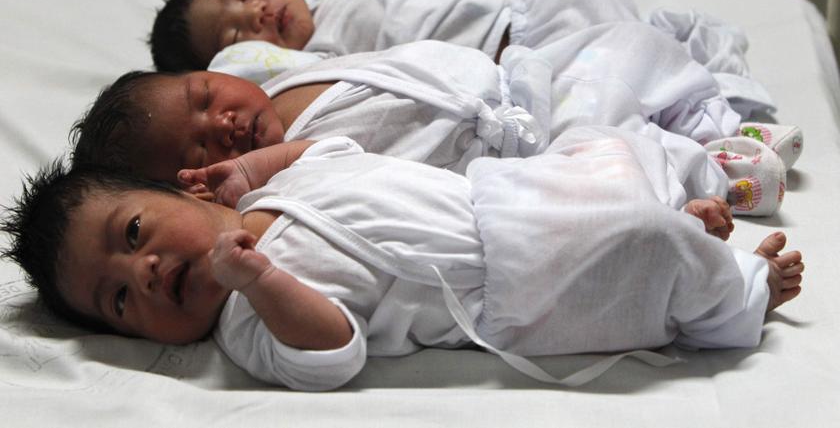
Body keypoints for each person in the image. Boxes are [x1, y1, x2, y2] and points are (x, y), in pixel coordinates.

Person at [1, 130, 804, 391]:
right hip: (509, 279)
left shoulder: (279, 186)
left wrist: (251, 168)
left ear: (184, 189)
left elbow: (331, 144)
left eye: (134, 233)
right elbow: (332, 353)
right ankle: (741, 290)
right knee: (633, 244)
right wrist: (262, 278)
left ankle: (684, 193)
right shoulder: (247, 321)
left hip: (499, 192)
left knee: (604, 144)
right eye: (117, 300)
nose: (140, 272)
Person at [74, 30, 792, 216]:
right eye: (200, 145)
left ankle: (715, 113)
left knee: (628, 47)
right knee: (614, 153)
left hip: (515, 81)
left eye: (205, 96)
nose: (224, 122)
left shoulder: (285, 73)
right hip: (521, 146)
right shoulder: (276, 180)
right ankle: (717, 174)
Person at [149, 0, 775, 119]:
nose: (257, 11)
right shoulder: (319, 61)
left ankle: (693, 74)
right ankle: (714, 105)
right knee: (613, 70)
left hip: (532, 13)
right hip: (524, 55)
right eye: (237, 32)